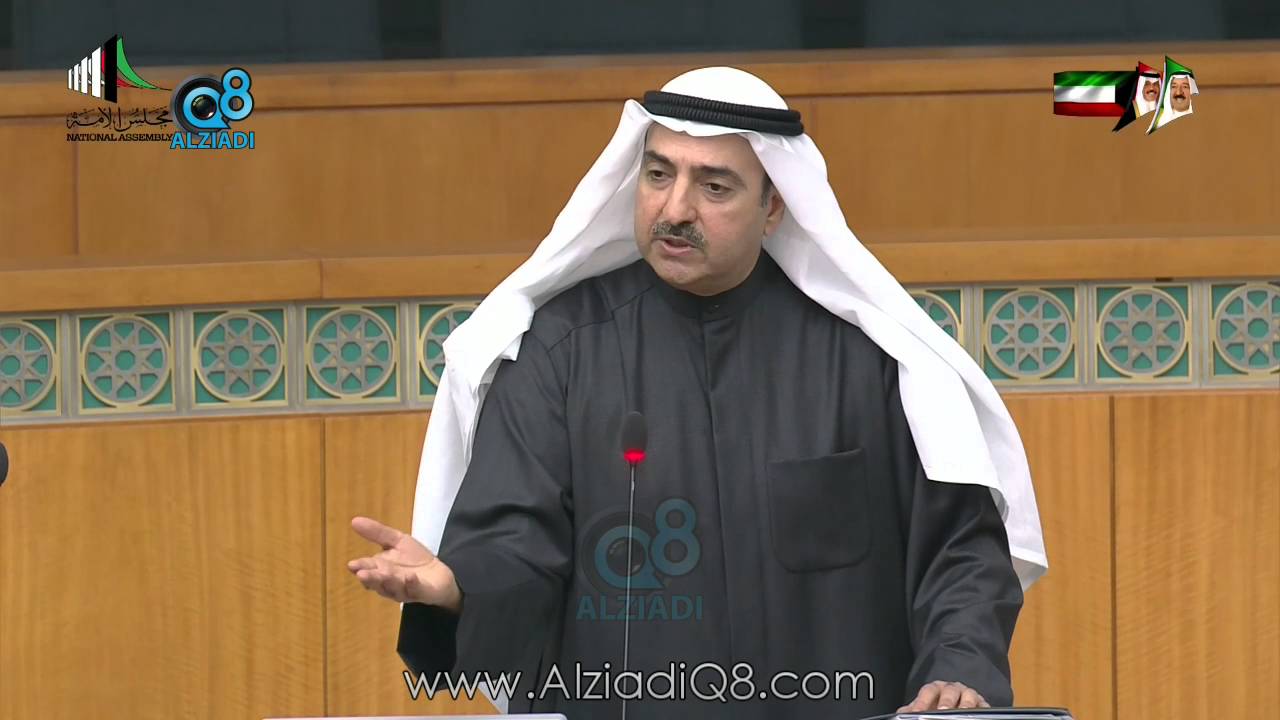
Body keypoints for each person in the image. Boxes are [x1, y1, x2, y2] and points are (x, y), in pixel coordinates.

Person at [348, 66, 1047, 720]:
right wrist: (457, 590)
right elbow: (516, 546)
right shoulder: (559, 355)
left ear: (774, 206)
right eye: (658, 175)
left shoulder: (868, 360)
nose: (675, 208)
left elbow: (959, 550)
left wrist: (959, 667)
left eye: (714, 187)